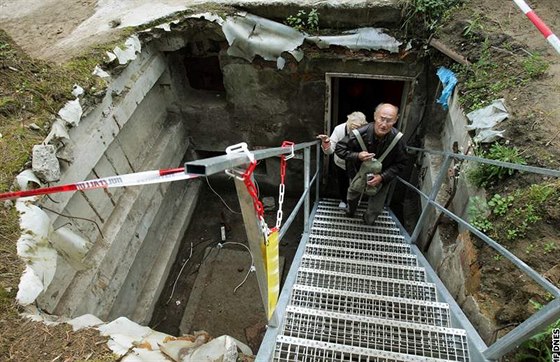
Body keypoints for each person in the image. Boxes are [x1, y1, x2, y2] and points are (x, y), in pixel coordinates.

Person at [335, 103, 407, 225]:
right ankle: (350, 211)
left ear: (395, 120)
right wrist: (357, 156)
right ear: (375, 116)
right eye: (382, 118)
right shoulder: (359, 133)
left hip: (383, 176)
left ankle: (368, 221)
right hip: (358, 173)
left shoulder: (398, 140)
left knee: (376, 207)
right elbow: (340, 149)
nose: (384, 124)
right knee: (352, 196)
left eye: (389, 121)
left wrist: (382, 177)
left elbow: (401, 163)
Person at [317, 112, 368, 209]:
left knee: (356, 182)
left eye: (357, 129)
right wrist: (326, 142)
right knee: (343, 182)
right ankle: (344, 200)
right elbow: (330, 151)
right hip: (341, 163)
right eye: (352, 128)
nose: (354, 132)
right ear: (347, 124)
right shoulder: (339, 129)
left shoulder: (366, 130)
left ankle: (353, 202)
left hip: (357, 162)